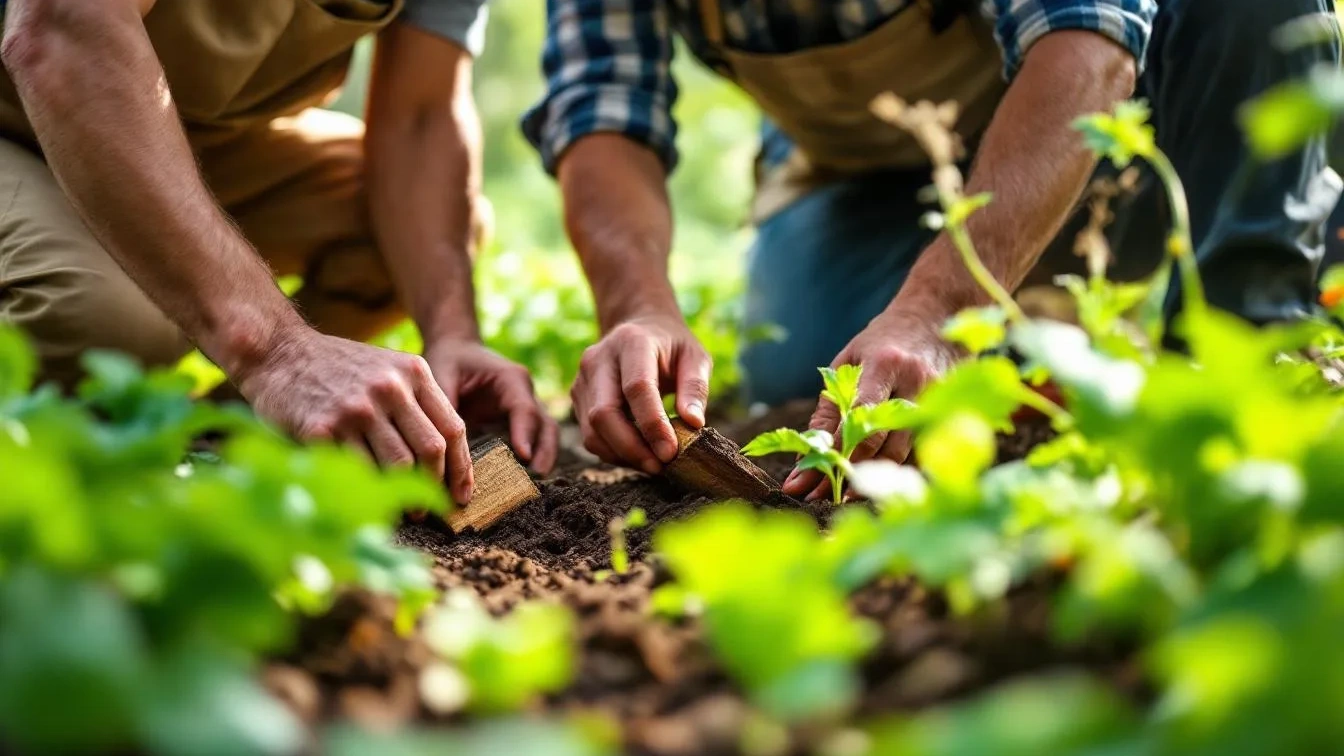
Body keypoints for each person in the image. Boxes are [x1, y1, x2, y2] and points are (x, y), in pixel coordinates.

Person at [524, 0, 1339, 499]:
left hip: (1118, 115)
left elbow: (1087, 41)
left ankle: (1257, 337)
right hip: (870, 175)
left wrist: (936, 310)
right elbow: (603, 111)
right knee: (814, 377)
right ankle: (1045, 333)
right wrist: (640, 309)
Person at [0, 0, 561, 503]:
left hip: (184, 140)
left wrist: (452, 333)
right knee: (103, 323)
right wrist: (274, 350)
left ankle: (214, 437)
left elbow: (420, 116)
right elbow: (63, 26)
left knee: (403, 237)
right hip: (20, 116)